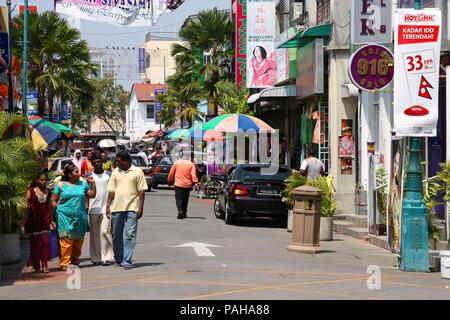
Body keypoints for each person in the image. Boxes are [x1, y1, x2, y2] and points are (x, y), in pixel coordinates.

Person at [106, 151, 147, 270]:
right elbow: (111, 190)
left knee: (130, 235)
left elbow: (141, 191)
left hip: (132, 208)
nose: (117, 163)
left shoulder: (137, 172)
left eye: (119, 161)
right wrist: (108, 205)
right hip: (117, 208)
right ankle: (118, 258)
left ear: (126, 160)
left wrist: (141, 208)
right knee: (116, 234)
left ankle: (127, 260)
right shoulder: (115, 172)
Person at [52, 164, 96, 271]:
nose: (79, 173)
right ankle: (65, 264)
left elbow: (91, 195)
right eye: (76, 171)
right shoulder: (60, 185)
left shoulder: (83, 184)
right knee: (66, 241)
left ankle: (75, 261)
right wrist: (55, 213)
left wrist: (93, 184)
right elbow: (53, 200)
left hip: (80, 217)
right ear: (69, 174)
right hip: (63, 217)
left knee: (77, 241)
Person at [23, 172, 55, 273]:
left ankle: (45, 265)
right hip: (33, 222)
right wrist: (23, 220)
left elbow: (50, 206)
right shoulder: (31, 191)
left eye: (45, 180)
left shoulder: (48, 191)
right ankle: (36, 266)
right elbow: (25, 207)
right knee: (35, 245)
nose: (44, 182)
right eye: (41, 180)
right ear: (37, 180)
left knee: (45, 244)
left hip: (45, 221)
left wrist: (52, 219)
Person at [88, 153, 114, 266]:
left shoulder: (109, 175)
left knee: (105, 232)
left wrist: (110, 205)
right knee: (94, 234)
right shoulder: (89, 176)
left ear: (102, 162)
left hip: (106, 208)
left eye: (98, 162)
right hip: (93, 208)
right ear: (92, 163)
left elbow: (113, 191)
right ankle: (95, 257)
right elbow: (86, 193)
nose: (96, 164)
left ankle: (107, 257)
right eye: (94, 162)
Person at [167, 152, 198, 219]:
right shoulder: (191, 164)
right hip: (187, 185)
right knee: (185, 199)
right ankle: (184, 212)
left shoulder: (176, 163)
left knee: (179, 199)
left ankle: (180, 211)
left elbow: (171, 173)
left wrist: (169, 181)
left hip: (178, 184)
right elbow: (193, 175)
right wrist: (195, 182)